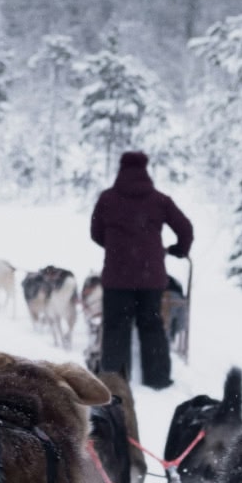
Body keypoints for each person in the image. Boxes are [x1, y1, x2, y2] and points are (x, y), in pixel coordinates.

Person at [90, 150, 193, 390]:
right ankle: (157, 379)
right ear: (146, 169)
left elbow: (95, 233)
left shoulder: (107, 199)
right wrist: (178, 249)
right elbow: (185, 228)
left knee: (116, 327)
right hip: (151, 278)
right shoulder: (159, 200)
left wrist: (117, 248)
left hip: (116, 278)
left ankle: (115, 382)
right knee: (152, 326)